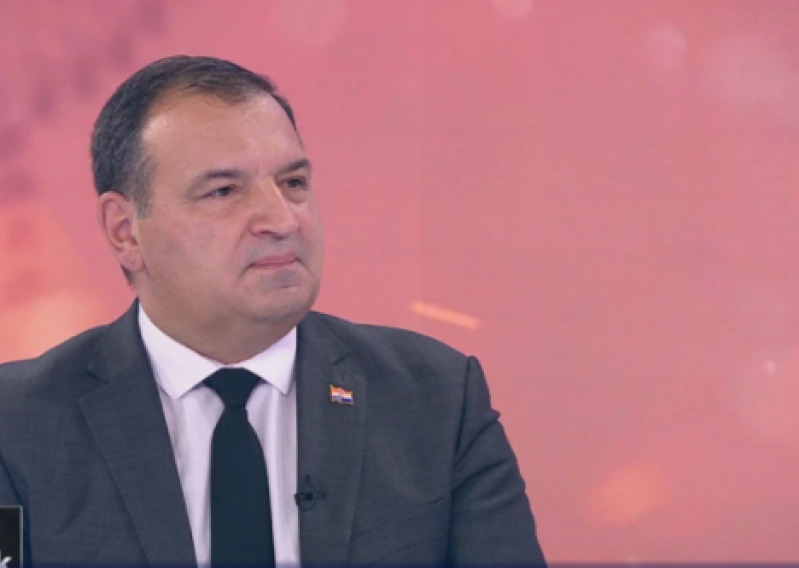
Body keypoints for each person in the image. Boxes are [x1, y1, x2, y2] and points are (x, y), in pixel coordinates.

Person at [0, 55, 546, 566]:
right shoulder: (16, 427)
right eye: (223, 191)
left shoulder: (437, 399)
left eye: (293, 183)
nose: (283, 219)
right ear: (125, 232)